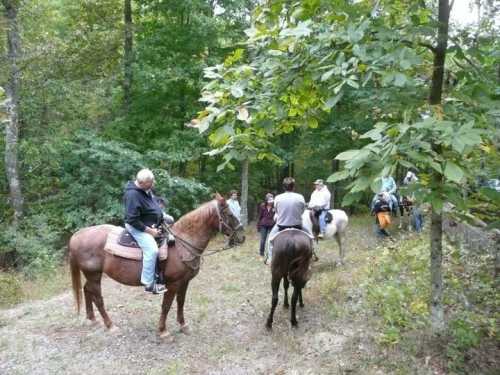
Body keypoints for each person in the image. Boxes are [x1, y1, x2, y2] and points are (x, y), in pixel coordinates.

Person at [124, 168, 167, 294]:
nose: (153, 184)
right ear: (142, 182)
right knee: (152, 250)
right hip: (138, 227)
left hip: (151, 222)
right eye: (151, 182)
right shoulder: (132, 195)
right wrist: (150, 231)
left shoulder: (145, 190)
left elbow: (151, 206)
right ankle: (148, 283)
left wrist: (162, 215)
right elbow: (132, 220)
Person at [265, 177, 309, 265]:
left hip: (281, 226)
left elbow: (277, 211)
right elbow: (302, 211)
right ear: (294, 187)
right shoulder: (300, 197)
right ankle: (312, 255)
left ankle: (269, 258)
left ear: (283, 187)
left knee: (269, 240)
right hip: (297, 226)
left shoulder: (278, 197)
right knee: (310, 237)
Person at [257, 193, 275, 259]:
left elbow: (276, 216)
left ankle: (270, 254)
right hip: (263, 224)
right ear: (266, 200)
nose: (270, 202)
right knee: (263, 240)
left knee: (270, 240)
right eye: (269, 199)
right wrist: (258, 225)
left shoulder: (275, 207)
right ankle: (261, 253)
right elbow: (260, 216)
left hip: (271, 225)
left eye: (271, 199)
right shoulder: (262, 206)